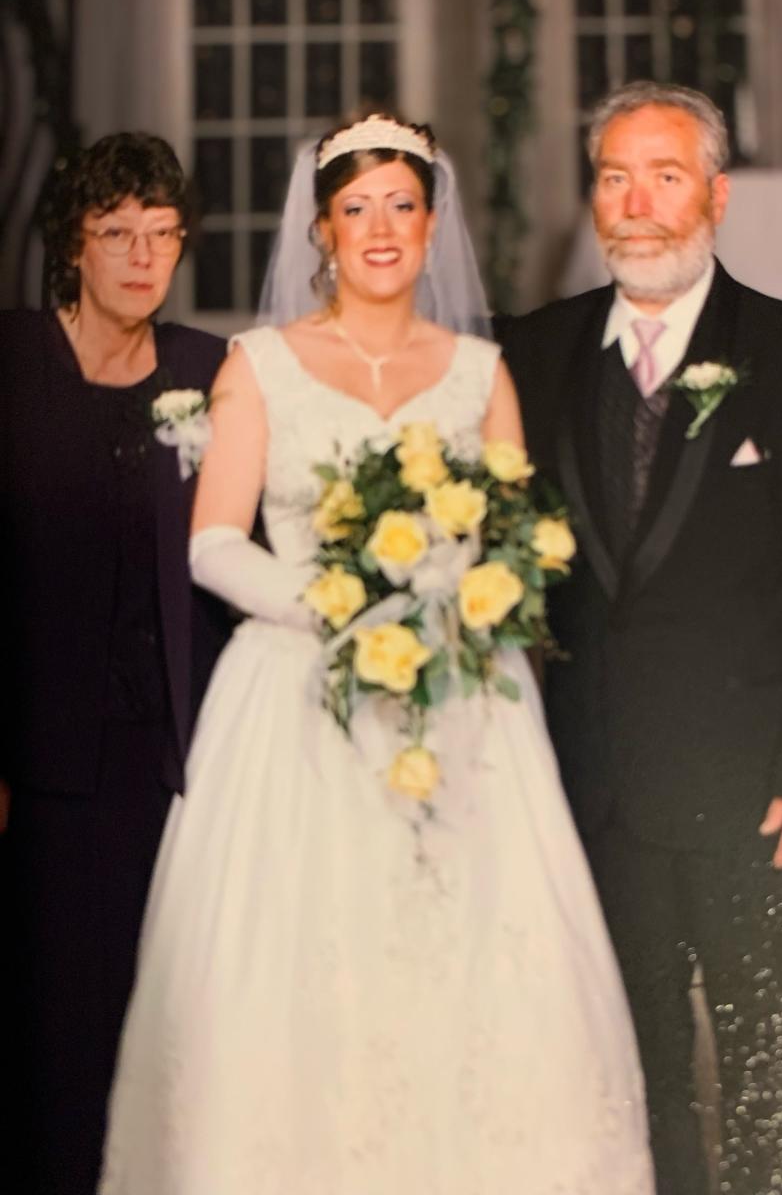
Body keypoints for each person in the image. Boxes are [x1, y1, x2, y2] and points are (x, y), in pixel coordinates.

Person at [98, 114, 655, 1194]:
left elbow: (508, 536)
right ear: (323, 229)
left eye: (402, 203)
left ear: (433, 221)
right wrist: (338, 606)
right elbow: (214, 541)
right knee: (304, 970)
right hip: (300, 697)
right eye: (357, 208)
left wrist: (450, 601)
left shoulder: (480, 370)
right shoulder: (260, 364)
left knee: (471, 965)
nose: (382, 227)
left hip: (459, 702)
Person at [497, 82, 782, 1195]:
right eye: (617, 177)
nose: (640, 204)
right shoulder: (529, 353)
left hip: (767, 801)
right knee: (634, 1083)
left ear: (716, 196)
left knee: (772, 1079)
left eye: (666, 176)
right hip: (595, 792)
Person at [0, 132, 232, 1195]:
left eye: (162, 234)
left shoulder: (205, 369)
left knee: (165, 1019)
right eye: (116, 233)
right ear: (73, 243)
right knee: (51, 1028)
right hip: (36, 768)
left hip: (169, 759)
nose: (143, 257)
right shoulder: (11, 362)